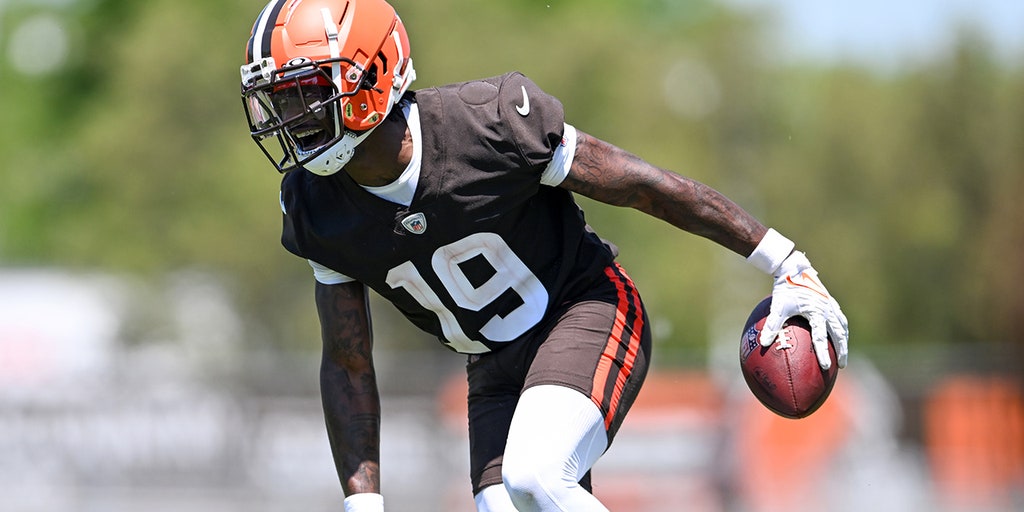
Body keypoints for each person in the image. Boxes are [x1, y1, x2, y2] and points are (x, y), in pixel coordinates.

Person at [239, 0, 850, 510]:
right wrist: (363, 504)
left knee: (535, 476)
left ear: (369, 77)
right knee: (509, 503)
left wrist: (784, 261)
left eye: (305, 95)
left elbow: (643, 186)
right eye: (280, 101)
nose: (290, 119)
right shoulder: (316, 205)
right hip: (493, 368)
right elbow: (347, 362)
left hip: (584, 309)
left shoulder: (488, 125)